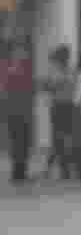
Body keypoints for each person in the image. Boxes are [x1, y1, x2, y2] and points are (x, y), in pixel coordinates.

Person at [3, 41, 35, 184]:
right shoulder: (11, 71)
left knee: (23, 143)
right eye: (20, 52)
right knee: (17, 143)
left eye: (24, 53)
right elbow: (6, 92)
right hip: (15, 112)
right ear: (15, 55)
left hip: (24, 112)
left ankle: (21, 172)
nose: (24, 55)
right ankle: (17, 173)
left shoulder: (25, 71)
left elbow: (30, 91)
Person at [44, 45, 76, 180]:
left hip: (63, 106)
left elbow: (52, 86)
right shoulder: (66, 70)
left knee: (61, 138)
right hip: (62, 106)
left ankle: (56, 168)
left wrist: (51, 85)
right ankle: (62, 169)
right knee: (61, 138)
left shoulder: (64, 71)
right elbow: (52, 86)